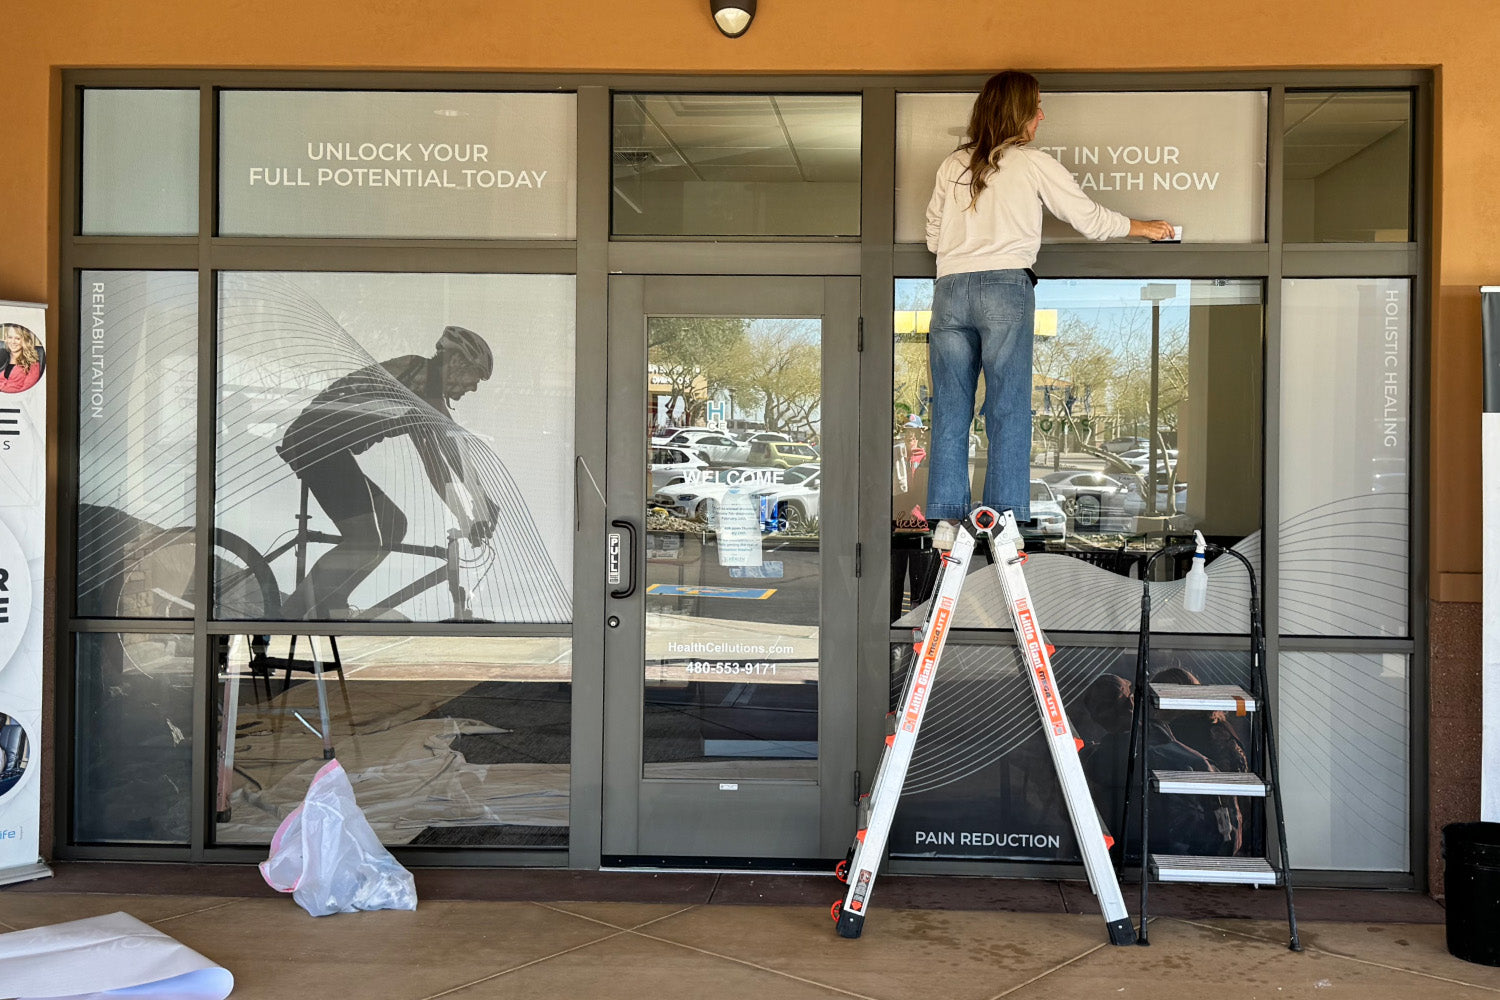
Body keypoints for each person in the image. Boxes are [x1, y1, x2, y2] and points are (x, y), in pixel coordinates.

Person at [924, 71, 1176, 548]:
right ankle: (1002, 519)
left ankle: (948, 521)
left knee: (951, 409)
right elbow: (1088, 219)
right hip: (1004, 287)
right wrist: (1143, 227)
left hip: (949, 289)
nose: (1042, 115)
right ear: (1016, 112)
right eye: (1036, 106)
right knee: (1008, 408)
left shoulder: (951, 165)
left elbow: (935, 236)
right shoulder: (1030, 163)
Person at [277, 325, 499, 620]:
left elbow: (435, 464)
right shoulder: (422, 374)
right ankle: (286, 616)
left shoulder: (425, 392)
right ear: (458, 362)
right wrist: (479, 502)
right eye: (476, 377)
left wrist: (468, 514)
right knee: (364, 541)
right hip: (317, 443)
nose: (473, 388)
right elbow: (452, 448)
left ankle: (332, 602)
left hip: (326, 446)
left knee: (393, 524)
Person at [0, 324, 43, 394]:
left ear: (25, 340)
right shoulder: (2, 355)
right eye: (10, 337)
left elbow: (27, 391)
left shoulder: (33, 363)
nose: (13, 342)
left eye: (17, 338)